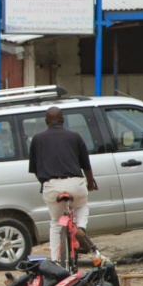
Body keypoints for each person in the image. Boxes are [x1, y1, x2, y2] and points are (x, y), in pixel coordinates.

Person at [28, 107, 97, 262]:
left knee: (55, 223)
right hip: (75, 184)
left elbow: (35, 169)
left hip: (52, 186)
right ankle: (81, 229)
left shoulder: (37, 139)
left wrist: (46, 182)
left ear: (46, 122)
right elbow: (86, 165)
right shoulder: (75, 137)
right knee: (81, 205)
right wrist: (90, 184)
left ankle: (54, 261)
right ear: (63, 120)